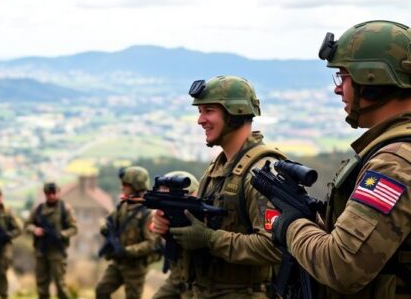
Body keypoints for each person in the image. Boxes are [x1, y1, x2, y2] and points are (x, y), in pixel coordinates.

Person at [269, 21, 411, 297]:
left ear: (371, 80)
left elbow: (341, 266)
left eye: (343, 76)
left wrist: (290, 224)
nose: (338, 89)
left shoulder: (395, 162)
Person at [152, 75, 284, 298]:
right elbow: (205, 228)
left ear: (235, 113)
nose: (200, 120)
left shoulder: (261, 173)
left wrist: (210, 239)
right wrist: (172, 229)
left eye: (209, 111)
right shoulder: (217, 168)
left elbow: (274, 247)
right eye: (200, 111)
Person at [95, 166, 157, 299]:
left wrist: (126, 251)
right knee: (101, 290)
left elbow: (151, 244)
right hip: (117, 263)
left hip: (135, 267)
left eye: (125, 185)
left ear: (136, 186)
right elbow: (107, 221)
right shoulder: (123, 206)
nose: (121, 187)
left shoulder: (147, 213)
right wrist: (105, 229)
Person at [25, 181, 78, 299]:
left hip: (57, 251)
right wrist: (35, 229)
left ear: (58, 193)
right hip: (41, 250)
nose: (51, 196)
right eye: (49, 193)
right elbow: (27, 224)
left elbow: (74, 229)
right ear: (45, 194)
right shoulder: (38, 209)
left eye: (54, 193)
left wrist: (61, 234)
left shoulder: (65, 209)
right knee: (42, 283)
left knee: (60, 283)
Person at [152, 170, 199, 299]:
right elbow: (157, 247)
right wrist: (162, 233)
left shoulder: (201, 219)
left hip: (197, 282)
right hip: (176, 278)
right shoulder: (163, 216)